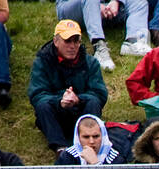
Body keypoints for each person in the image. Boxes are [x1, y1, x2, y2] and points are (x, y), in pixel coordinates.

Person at [27, 19, 109, 151]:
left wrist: (78, 99)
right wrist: (60, 101)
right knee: (42, 106)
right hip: (56, 113)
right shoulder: (42, 62)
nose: (72, 46)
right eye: (67, 41)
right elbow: (37, 95)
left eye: (76, 41)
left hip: (81, 111)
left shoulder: (91, 62)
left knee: (94, 102)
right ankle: (60, 148)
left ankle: (87, 145)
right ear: (56, 41)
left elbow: (100, 94)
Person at [55, 0, 150, 74]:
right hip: (72, 8)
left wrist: (116, 1)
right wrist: (96, 6)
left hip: (105, 7)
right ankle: (99, 47)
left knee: (138, 2)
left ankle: (133, 41)